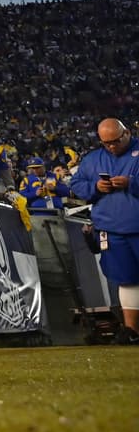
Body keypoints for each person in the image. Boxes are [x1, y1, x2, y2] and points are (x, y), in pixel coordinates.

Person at [69, 119, 139, 343]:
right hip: (111, 227)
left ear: (127, 133)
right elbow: (77, 184)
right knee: (126, 279)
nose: (111, 147)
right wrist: (95, 188)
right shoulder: (92, 159)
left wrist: (131, 182)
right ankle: (131, 332)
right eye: (106, 143)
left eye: (115, 141)